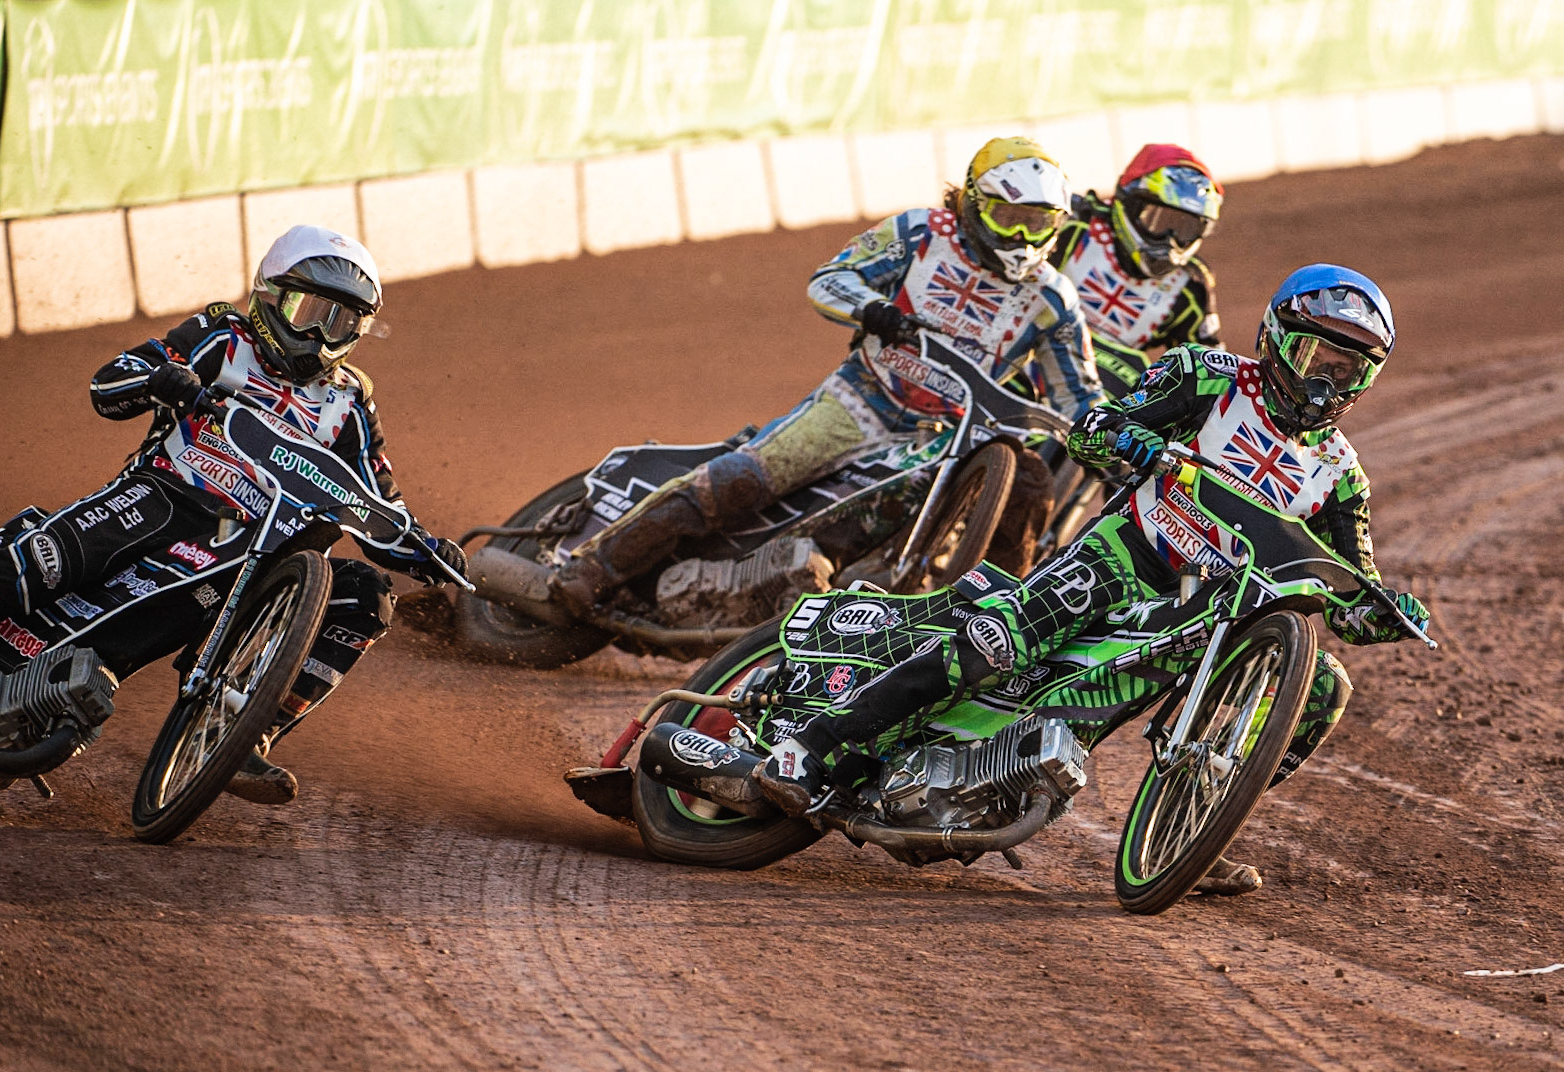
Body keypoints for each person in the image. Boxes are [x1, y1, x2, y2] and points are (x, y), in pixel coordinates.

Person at [757, 263, 1429, 896]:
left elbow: (1349, 599)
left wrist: (1388, 612)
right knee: (999, 642)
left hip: (1209, 617)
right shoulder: (1210, 376)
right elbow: (1093, 429)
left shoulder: (1343, 478)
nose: (1327, 381)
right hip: (1128, 554)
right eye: (1318, 358)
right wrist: (1128, 439)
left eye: (1348, 370)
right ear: (1278, 341)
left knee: (1324, 689)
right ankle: (814, 747)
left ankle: (1196, 821)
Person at [0, 225, 463, 804]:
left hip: (251, 551)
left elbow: (375, 500)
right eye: (310, 310)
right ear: (269, 296)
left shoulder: (351, 400)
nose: (320, 333)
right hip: (162, 498)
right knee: (38, 560)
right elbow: (108, 383)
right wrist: (165, 380)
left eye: (341, 322)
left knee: (366, 592)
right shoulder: (221, 335)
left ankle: (241, 734)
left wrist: (427, 547)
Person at [547, 137, 1104, 615]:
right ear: (974, 203)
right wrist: (872, 309)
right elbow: (830, 278)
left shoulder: (1052, 297)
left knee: (1028, 485)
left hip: (947, 438)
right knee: (745, 478)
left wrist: (1112, 437)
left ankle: (1002, 626)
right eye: (1010, 218)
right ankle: (594, 566)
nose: (1024, 239)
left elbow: (1077, 393)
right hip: (862, 403)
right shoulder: (918, 233)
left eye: (1040, 224)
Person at [1052, 144, 1225, 392]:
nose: (1168, 240)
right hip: (1025, 358)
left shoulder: (1190, 287)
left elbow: (1210, 377)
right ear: (1129, 204)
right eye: (1157, 219)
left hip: (1097, 401)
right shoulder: (1076, 225)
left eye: (1183, 228)